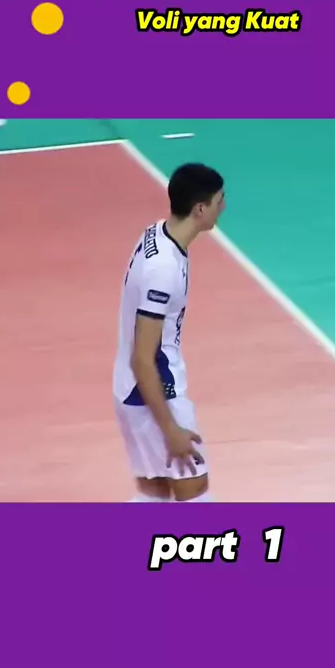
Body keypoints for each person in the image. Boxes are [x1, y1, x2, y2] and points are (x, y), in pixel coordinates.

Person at [113, 163, 225, 502]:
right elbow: (143, 358)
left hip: (128, 390)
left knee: (156, 491)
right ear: (200, 208)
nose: (223, 207)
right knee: (194, 489)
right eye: (220, 200)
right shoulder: (163, 270)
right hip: (155, 393)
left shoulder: (157, 234)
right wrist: (171, 428)